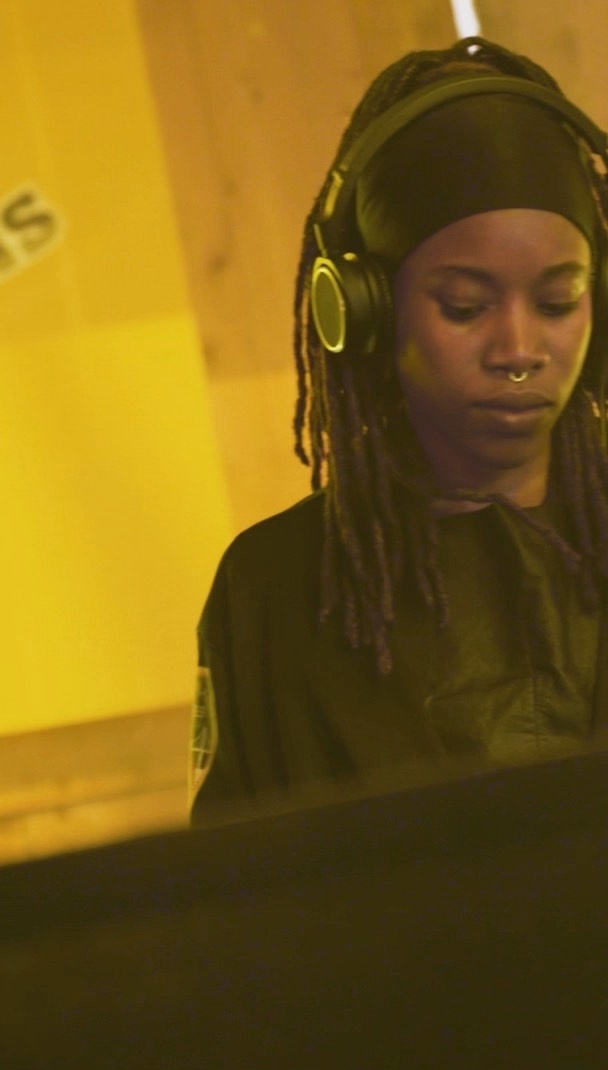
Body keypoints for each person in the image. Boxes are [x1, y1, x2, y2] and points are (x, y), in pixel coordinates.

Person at [190, 36, 608, 822]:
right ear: (362, 309)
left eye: (559, 302)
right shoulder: (273, 592)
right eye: (464, 306)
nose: (519, 350)